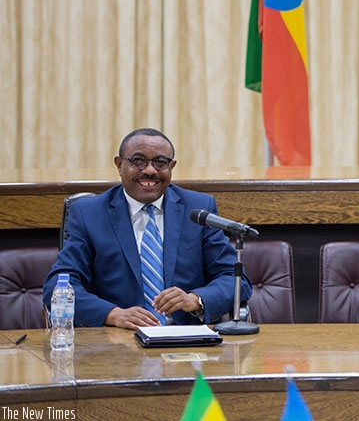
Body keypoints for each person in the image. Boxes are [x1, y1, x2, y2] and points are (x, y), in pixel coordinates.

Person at [43, 128, 252, 329]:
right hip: (117, 339)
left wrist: (196, 299)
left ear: (172, 166)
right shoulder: (89, 213)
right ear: (119, 165)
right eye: (138, 161)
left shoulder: (198, 209)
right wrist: (113, 314)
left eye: (160, 162)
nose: (150, 170)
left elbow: (235, 279)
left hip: (186, 338)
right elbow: (58, 285)